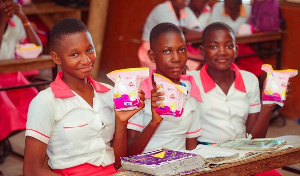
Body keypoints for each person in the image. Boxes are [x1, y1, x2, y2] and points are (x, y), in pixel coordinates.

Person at [23, 18, 145, 176]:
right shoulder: (46, 102)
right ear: (56, 58)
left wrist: (121, 122)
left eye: (89, 50)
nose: (87, 60)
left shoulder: (110, 93)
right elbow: (31, 171)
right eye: (75, 54)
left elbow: (117, 163)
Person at [188, 22, 283, 176]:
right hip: (208, 157)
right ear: (202, 52)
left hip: (243, 153)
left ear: (236, 50)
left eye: (228, 46)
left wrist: (267, 105)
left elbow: (254, 139)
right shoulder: (191, 82)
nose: (222, 52)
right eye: (213, 47)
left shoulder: (249, 80)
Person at [127, 22, 203, 156]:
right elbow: (129, 152)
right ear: (152, 56)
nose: (176, 58)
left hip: (179, 165)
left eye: (181, 49)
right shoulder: (139, 91)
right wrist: (154, 122)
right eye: (167, 51)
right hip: (144, 165)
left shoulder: (191, 89)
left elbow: (191, 147)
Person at [0, 0, 42, 163]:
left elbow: (37, 49)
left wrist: (22, 17)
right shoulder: (5, 18)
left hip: (13, 77)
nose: (6, 4)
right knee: (8, 112)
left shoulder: (16, 21)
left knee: (37, 107)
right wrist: (2, 20)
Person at [209, 0, 266, 89]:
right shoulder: (218, 8)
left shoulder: (249, 10)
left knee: (261, 71)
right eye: (226, 4)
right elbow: (212, 31)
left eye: (232, 6)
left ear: (240, 4)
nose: (228, 8)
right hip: (223, 48)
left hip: (242, 46)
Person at [138, 0, 204, 71]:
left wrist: (184, 30)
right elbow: (176, 37)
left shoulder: (184, 10)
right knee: (197, 68)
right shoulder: (162, 10)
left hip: (172, 50)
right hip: (153, 52)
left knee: (202, 64)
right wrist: (185, 32)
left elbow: (197, 30)